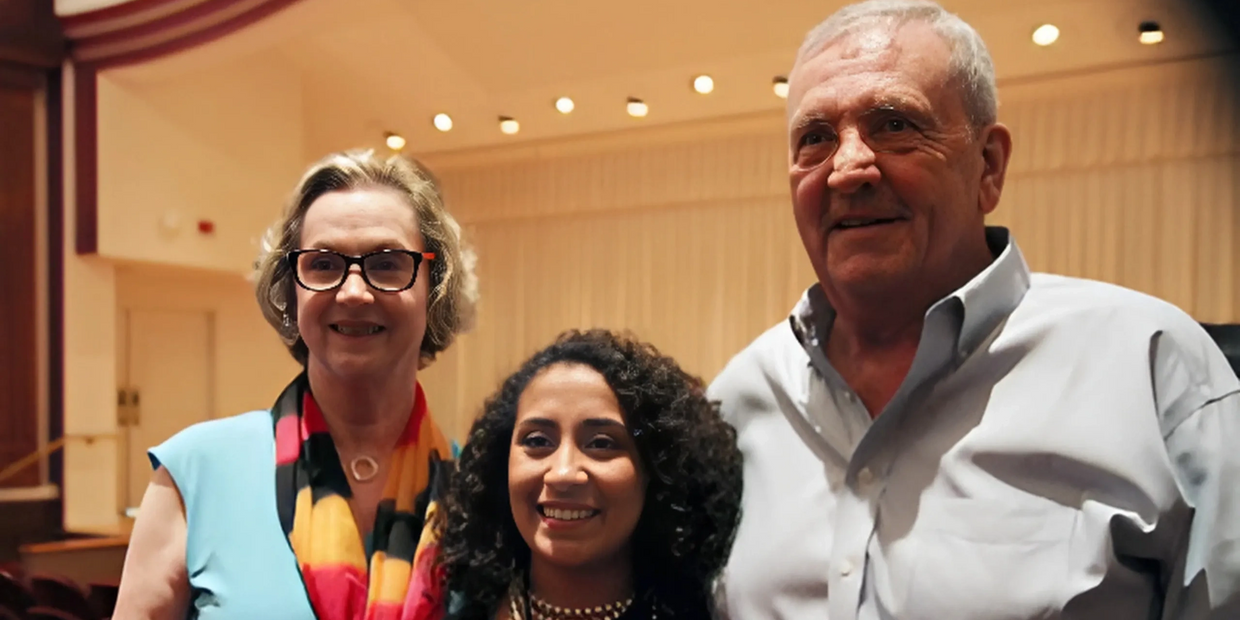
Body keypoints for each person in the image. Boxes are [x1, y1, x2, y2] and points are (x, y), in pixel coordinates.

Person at [708, 1, 1240, 619]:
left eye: (894, 125)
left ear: (988, 165)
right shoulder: (736, 403)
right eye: (815, 139)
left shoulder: (1155, 374)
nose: (847, 168)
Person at [113, 150, 479, 619]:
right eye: (323, 264)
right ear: (290, 290)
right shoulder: (195, 472)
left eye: (388, 264)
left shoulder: (480, 491)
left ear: (437, 286)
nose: (353, 291)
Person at [436, 329, 743, 620]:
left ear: (656, 472)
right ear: (502, 462)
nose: (563, 473)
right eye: (538, 441)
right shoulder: (444, 608)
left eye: (601, 444)